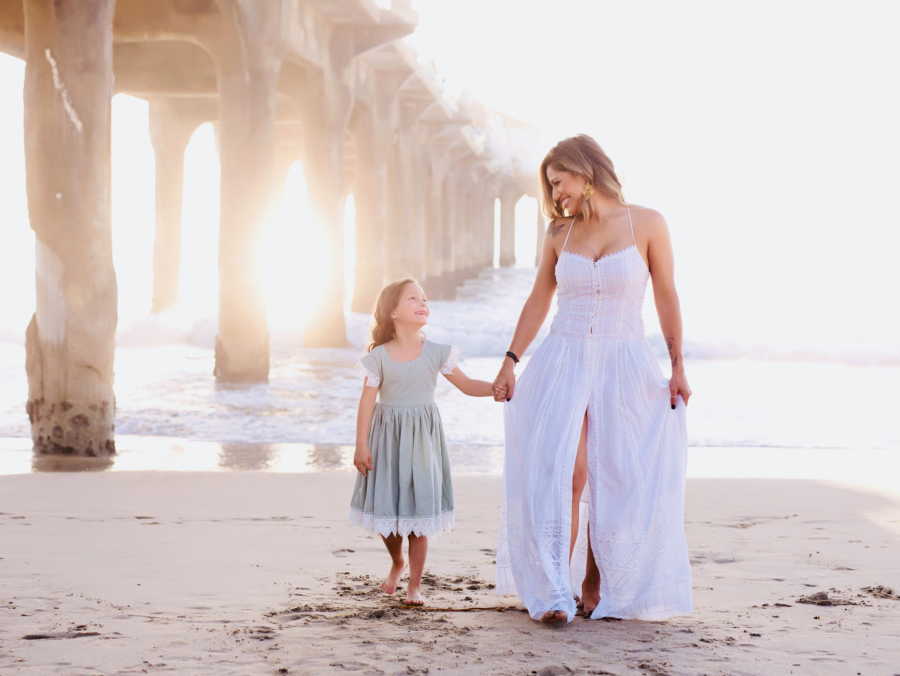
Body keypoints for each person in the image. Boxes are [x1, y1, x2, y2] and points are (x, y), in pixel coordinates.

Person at [492, 134, 693, 625]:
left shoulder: (646, 223)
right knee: (569, 472)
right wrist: (510, 359)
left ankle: (595, 582)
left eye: (558, 182)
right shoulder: (558, 235)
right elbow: (539, 299)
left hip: (624, 362)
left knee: (615, 473)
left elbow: (666, 294)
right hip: (564, 359)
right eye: (550, 186)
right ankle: (556, 586)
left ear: (584, 171)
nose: (555, 194)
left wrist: (678, 363)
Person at [350, 278, 498, 605]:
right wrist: (361, 444)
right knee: (386, 511)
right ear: (392, 312)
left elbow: (467, 384)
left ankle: (414, 585)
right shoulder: (378, 357)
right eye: (413, 299)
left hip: (422, 441)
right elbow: (366, 402)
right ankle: (396, 562)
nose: (423, 304)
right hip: (387, 438)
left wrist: (495, 389)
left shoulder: (436, 353)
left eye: (425, 299)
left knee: (419, 515)